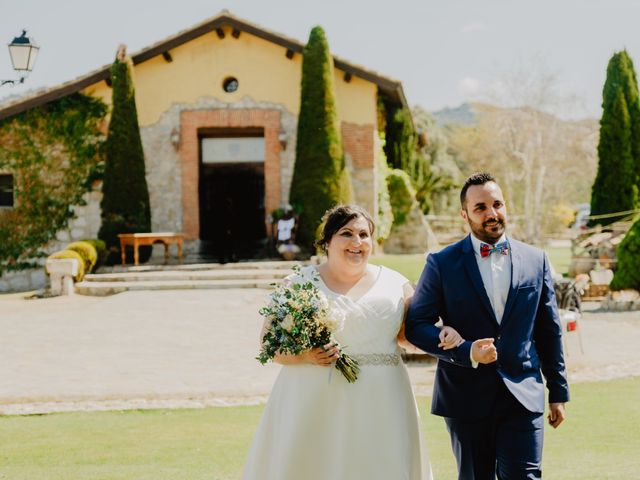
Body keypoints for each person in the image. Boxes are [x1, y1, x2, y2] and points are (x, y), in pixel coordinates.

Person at [243, 205, 454, 480]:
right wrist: (307, 356)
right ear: (327, 240)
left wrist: (444, 335)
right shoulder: (298, 283)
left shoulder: (396, 284)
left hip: (382, 398)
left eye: (364, 235)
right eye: (347, 233)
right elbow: (268, 344)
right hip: (314, 399)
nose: (357, 242)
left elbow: (408, 337)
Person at [406, 172, 570, 480]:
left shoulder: (537, 260)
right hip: (465, 398)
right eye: (480, 207)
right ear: (464, 214)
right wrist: (465, 350)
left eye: (497, 204)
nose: (492, 213)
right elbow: (416, 325)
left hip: (524, 393)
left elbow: (549, 330)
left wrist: (558, 391)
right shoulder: (441, 263)